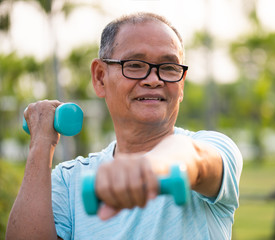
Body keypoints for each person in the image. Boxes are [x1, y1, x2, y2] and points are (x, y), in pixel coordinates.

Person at [6, 12, 242, 240]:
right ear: (100, 78)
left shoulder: (217, 148)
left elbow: (193, 159)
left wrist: (150, 167)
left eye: (169, 67)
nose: (154, 79)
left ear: (181, 86)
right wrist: (40, 143)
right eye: (135, 65)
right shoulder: (70, 181)